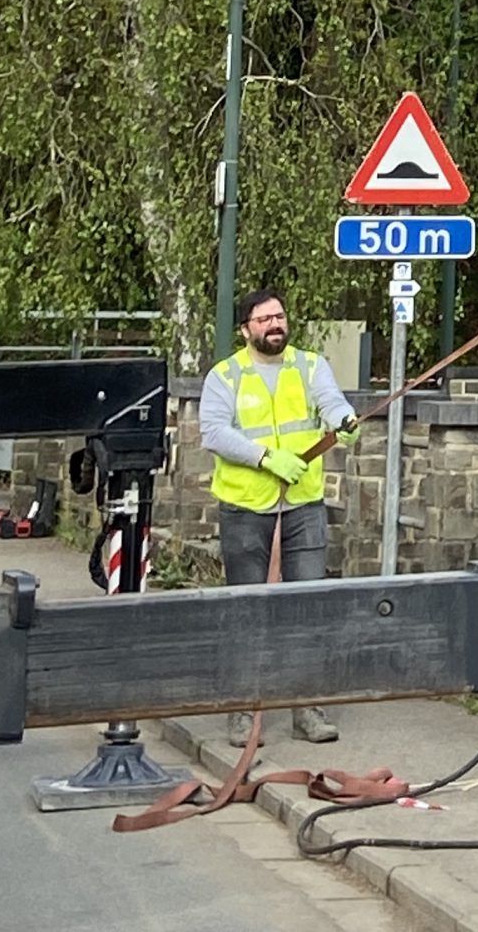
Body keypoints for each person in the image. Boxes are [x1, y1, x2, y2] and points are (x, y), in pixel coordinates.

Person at [198, 287, 361, 746]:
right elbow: (214, 433)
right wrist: (266, 458)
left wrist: (343, 420)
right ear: (246, 328)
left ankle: (306, 709)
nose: (275, 325)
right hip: (247, 508)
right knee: (247, 609)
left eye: (280, 317)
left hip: (303, 508)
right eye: (265, 318)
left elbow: (330, 402)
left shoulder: (310, 366)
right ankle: (241, 710)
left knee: (305, 609)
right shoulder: (225, 376)